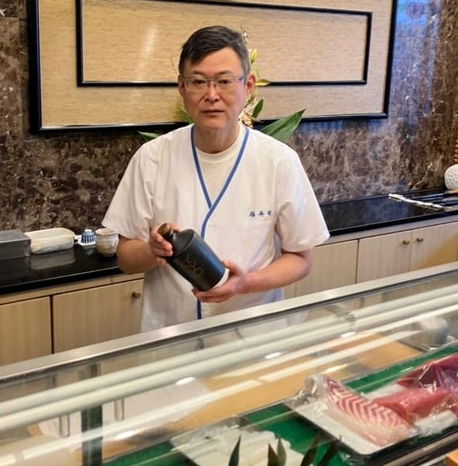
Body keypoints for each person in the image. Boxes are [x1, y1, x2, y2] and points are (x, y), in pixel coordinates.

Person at [102, 25, 329, 332]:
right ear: (181, 87)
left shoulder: (278, 161)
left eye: (224, 81)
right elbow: (126, 258)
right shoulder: (152, 158)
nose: (211, 95)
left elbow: (300, 259)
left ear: (248, 86)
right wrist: (152, 251)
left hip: (251, 338)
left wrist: (245, 283)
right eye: (198, 82)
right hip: (172, 336)